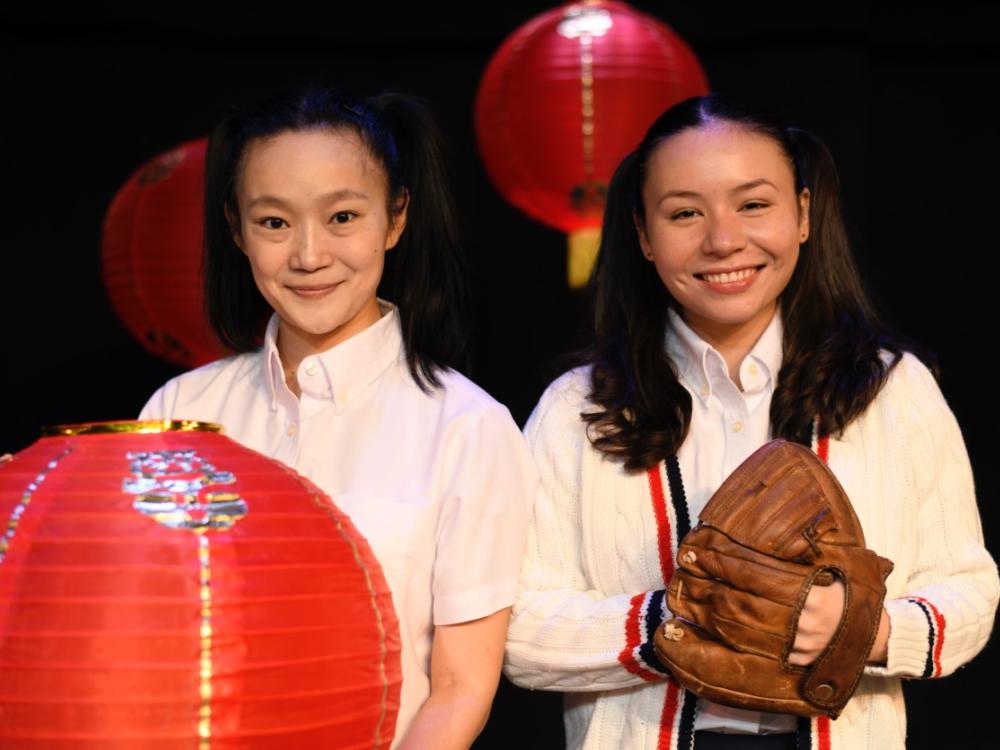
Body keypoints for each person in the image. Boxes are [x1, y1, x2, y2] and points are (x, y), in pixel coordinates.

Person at [503, 94, 998, 749]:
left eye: (753, 204)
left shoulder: (890, 388)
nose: (723, 239)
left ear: (802, 212)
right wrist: (680, 617)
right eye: (685, 213)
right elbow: (512, 626)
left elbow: (968, 589)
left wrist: (860, 628)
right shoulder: (579, 407)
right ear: (644, 236)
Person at [140, 88, 536, 749]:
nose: (309, 255)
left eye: (343, 216)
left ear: (395, 218)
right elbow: (140, 628)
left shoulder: (467, 427)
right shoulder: (181, 412)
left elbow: (462, 688)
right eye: (274, 223)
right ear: (236, 229)